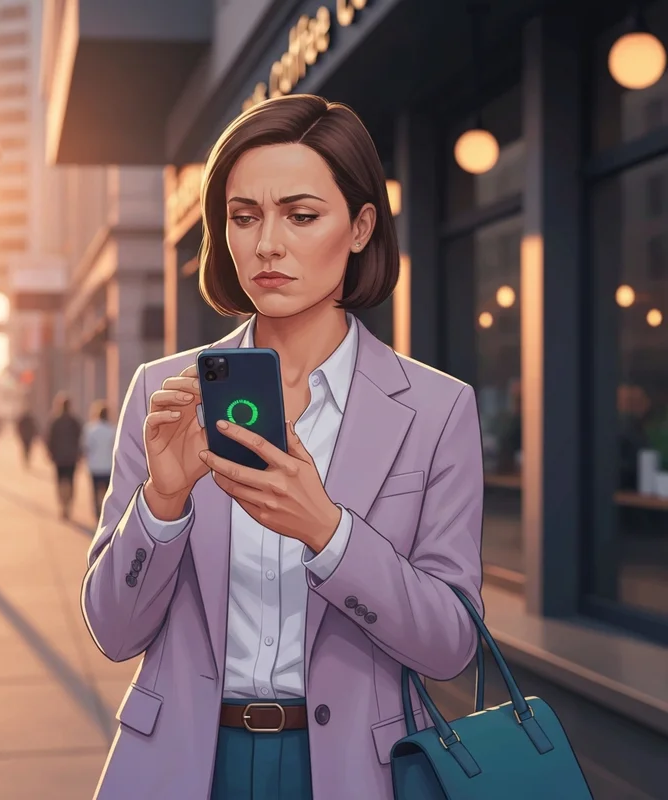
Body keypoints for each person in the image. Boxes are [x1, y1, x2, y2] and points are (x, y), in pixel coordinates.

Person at [83, 95, 484, 800]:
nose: (267, 243)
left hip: (361, 771)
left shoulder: (437, 407)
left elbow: (452, 644)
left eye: (301, 215)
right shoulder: (160, 394)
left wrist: (328, 535)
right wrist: (163, 503)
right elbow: (113, 634)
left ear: (360, 226)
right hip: (185, 766)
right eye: (244, 217)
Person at [45, 393, 82, 520]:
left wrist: (49, 452)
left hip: (59, 457)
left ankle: (63, 505)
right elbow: (80, 439)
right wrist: (79, 454)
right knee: (71, 481)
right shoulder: (75, 421)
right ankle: (69, 505)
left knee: (60, 481)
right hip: (71, 457)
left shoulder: (54, 421)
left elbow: (49, 439)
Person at [82, 400, 117, 519]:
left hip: (94, 466)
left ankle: (97, 513)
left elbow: (86, 447)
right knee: (108, 492)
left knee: (95, 491)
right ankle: (106, 512)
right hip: (108, 466)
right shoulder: (112, 430)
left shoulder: (90, 429)